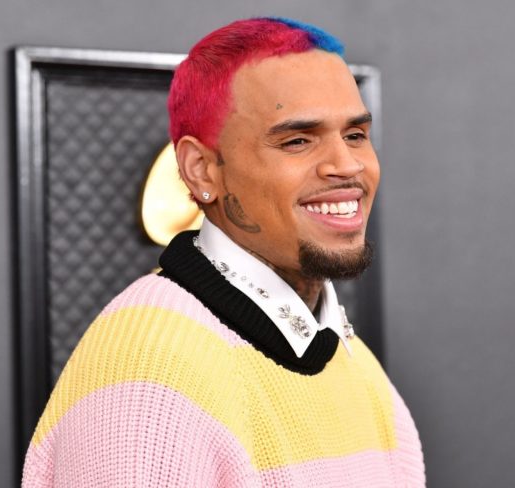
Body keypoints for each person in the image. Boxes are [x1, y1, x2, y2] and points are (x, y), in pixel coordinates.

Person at [22, 17, 425, 487]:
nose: (347, 165)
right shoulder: (151, 378)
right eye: (297, 140)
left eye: (355, 135)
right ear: (202, 170)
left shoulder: (355, 366)